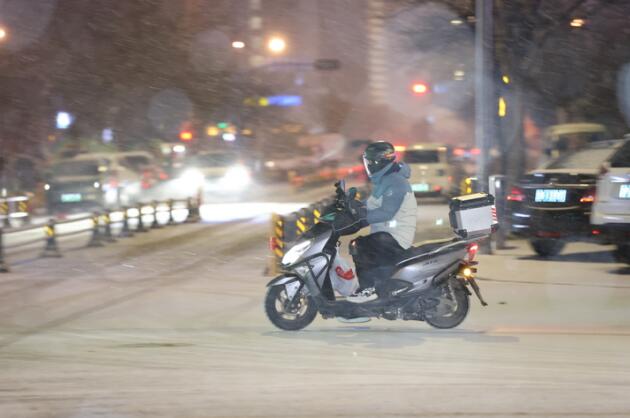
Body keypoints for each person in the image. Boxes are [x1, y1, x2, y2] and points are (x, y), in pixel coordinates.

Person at [346, 141, 418, 303]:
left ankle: (368, 288)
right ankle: (376, 286)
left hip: (396, 236)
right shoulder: (386, 180)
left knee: (361, 246)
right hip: (387, 233)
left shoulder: (396, 182)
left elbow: (386, 212)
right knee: (364, 245)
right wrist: (353, 205)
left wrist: (361, 218)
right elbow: (373, 203)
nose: (368, 166)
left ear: (380, 162)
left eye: (370, 162)